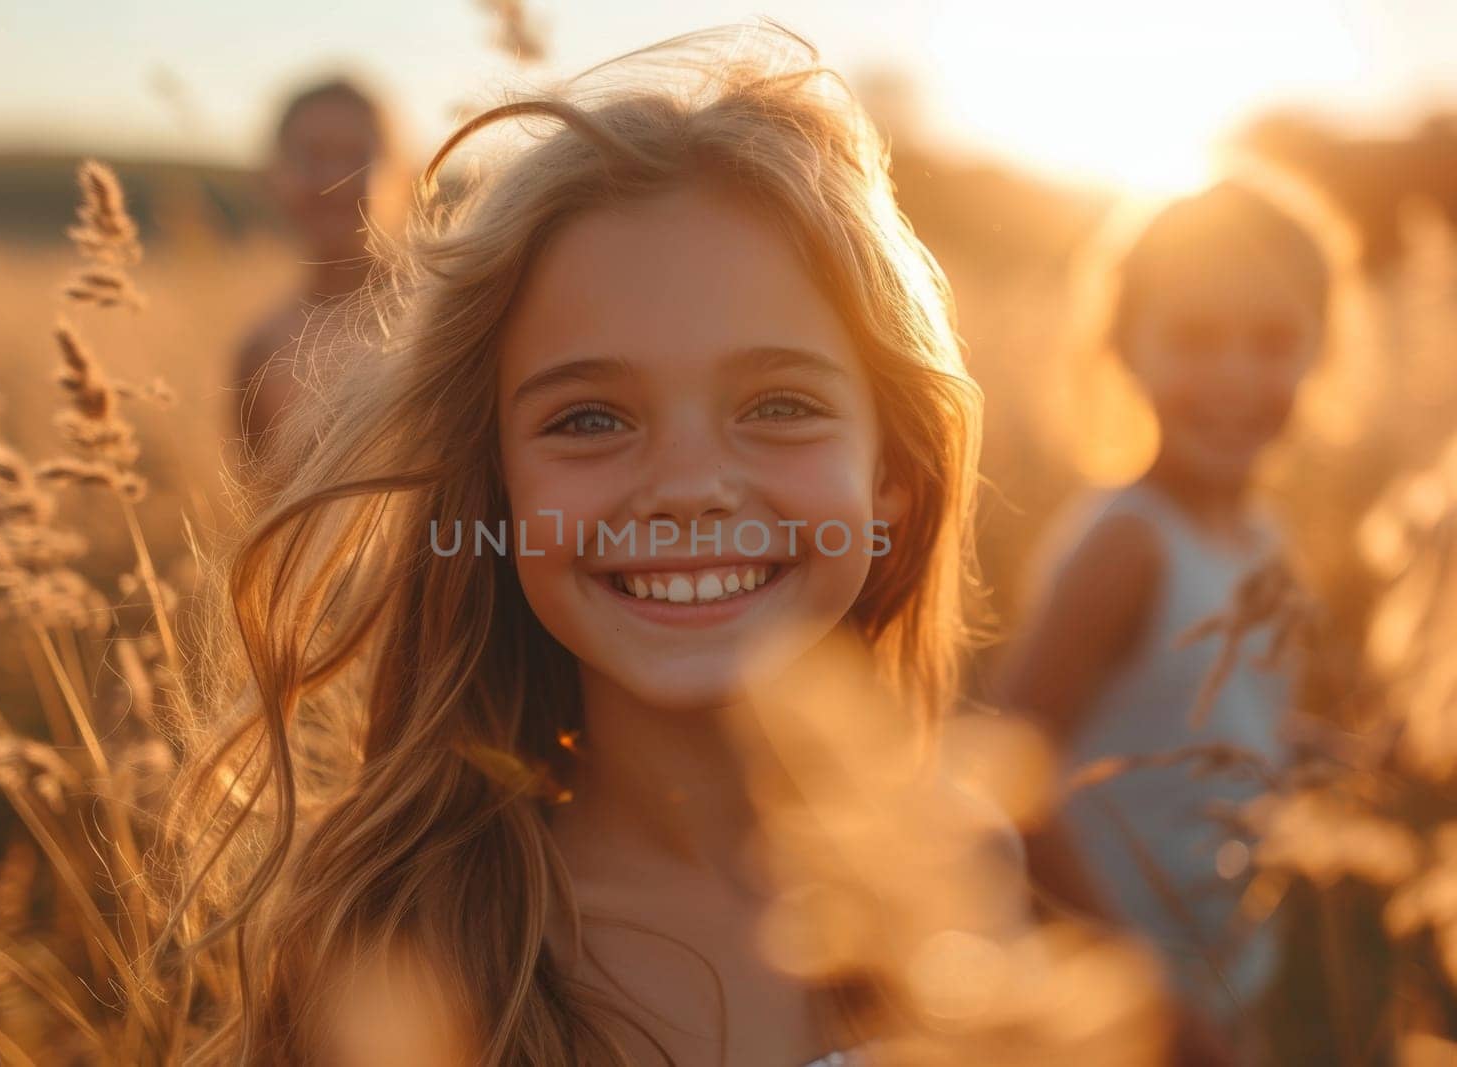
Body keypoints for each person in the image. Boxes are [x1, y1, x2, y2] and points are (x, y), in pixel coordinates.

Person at [163, 21, 1002, 1067]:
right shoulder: (410, 953)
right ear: (495, 487)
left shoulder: (969, 876)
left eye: (780, 404)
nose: (689, 488)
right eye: (590, 418)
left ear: (891, 474)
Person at [992, 174, 1351, 1063]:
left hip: (1229, 972)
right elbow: (1012, 773)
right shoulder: (1128, 546)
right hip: (1118, 1008)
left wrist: (1302, 756)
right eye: (1194, 337)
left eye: (1271, 341)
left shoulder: (1262, 538)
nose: (1233, 376)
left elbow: (1208, 715)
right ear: (1124, 347)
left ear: (1319, 351)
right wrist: (1144, 992)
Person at [232, 75, 409, 465]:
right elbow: (264, 508)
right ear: (273, 177)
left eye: (356, 157)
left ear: (400, 175)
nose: (333, 180)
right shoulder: (261, 351)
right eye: (310, 157)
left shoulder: (444, 316)